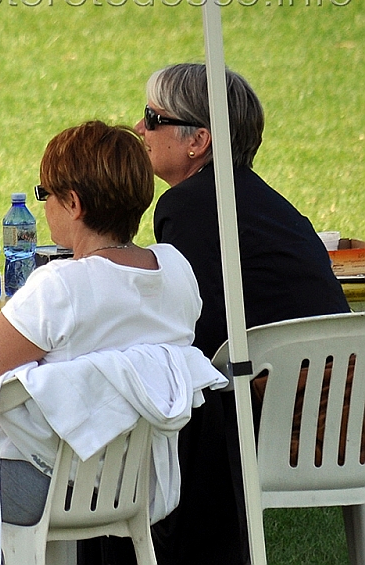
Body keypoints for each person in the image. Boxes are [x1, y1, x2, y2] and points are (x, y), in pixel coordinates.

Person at [0, 120, 228, 565]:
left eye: (44, 193)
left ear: (73, 203)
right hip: (125, 477)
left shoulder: (62, 286)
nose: (42, 204)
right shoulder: (175, 273)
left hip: (29, 478)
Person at [81, 64, 349, 565]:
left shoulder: (192, 204)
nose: (139, 130)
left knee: (128, 406)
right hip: (337, 420)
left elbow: (185, 331)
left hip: (276, 423)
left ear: (197, 140)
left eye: (152, 117)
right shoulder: (258, 199)